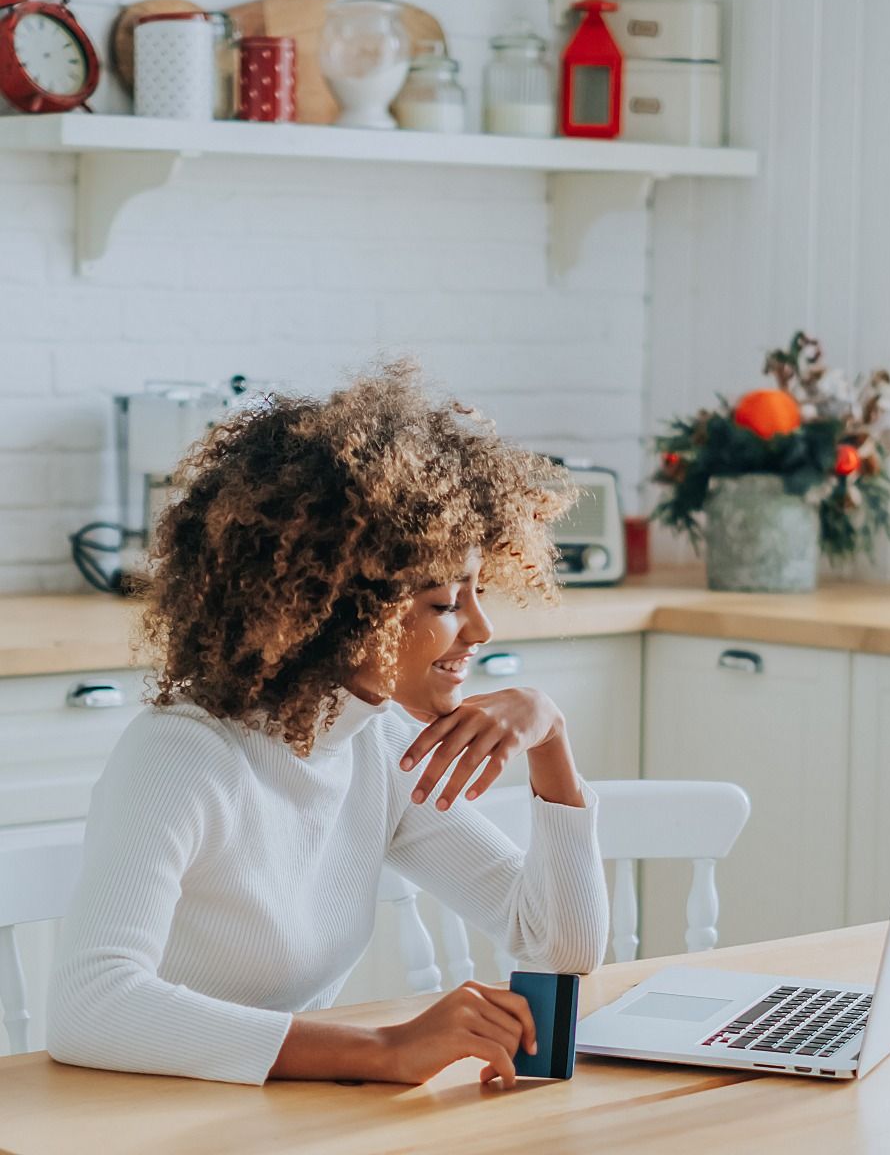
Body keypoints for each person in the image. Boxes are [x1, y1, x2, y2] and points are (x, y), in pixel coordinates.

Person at [46, 363, 609, 1089]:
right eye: (443, 602)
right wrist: (379, 1051)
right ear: (341, 612)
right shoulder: (183, 757)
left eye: (477, 590)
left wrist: (552, 744)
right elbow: (91, 1008)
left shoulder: (375, 747)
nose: (482, 625)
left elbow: (558, 945)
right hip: (146, 1120)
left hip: (284, 1119)